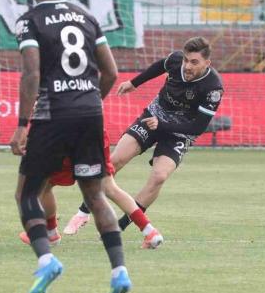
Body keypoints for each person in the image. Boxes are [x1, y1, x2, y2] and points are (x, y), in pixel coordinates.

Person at [12, 0, 131, 293]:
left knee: (27, 193)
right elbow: (111, 72)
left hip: (53, 114)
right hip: (90, 112)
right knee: (95, 196)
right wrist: (90, 101)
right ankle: (119, 272)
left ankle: (46, 260)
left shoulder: (30, 20)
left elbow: (31, 74)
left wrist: (22, 125)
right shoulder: (87, 17)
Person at [64, 37, 224, 236]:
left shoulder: (213, 88)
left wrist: (162, 125)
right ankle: (83, 213)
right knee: (115, 160)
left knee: (159, 176)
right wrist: (134, 83)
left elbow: (197, 127)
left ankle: (120, 227)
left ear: (207, 63)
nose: (187, 66)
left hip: (180, 132)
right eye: (186, 60)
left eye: (194, 62)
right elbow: (159, 67)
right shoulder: (176, 61)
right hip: (153, 116)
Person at [17, 129, 164, 249]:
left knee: (44, 184)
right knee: (110, 188)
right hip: (95, 130)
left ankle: (51, 233)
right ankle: (150, 231)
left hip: (66, 134)